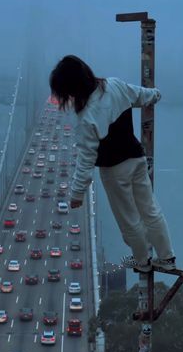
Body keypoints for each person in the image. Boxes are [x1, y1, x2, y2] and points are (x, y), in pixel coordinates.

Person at [49, 55, 176, 272]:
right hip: (137, 159)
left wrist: (77, 194)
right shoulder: (114, 85)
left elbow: (86, 159)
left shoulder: (86, 117)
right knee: (150, 210)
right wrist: (155, 95)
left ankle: (143, 261)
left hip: (114, 170)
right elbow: (141, 96)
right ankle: (167, 257)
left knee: (129, 219)